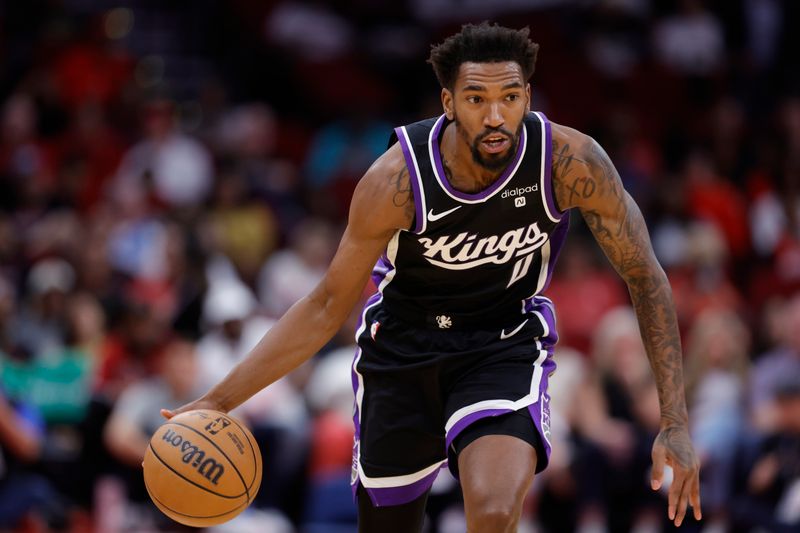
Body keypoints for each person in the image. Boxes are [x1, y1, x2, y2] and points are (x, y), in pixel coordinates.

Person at [164, 23, 701, 532]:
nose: (495, 116)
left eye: (509, 98)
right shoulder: (395, 180)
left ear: (527, 98)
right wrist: (217, 401)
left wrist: (675, 421)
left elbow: (645, 276)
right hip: (401, 349)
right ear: (448, 103)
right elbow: (326, 306)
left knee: (491, 511)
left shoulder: (569, 161)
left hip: (502, 342)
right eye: (476, 99)